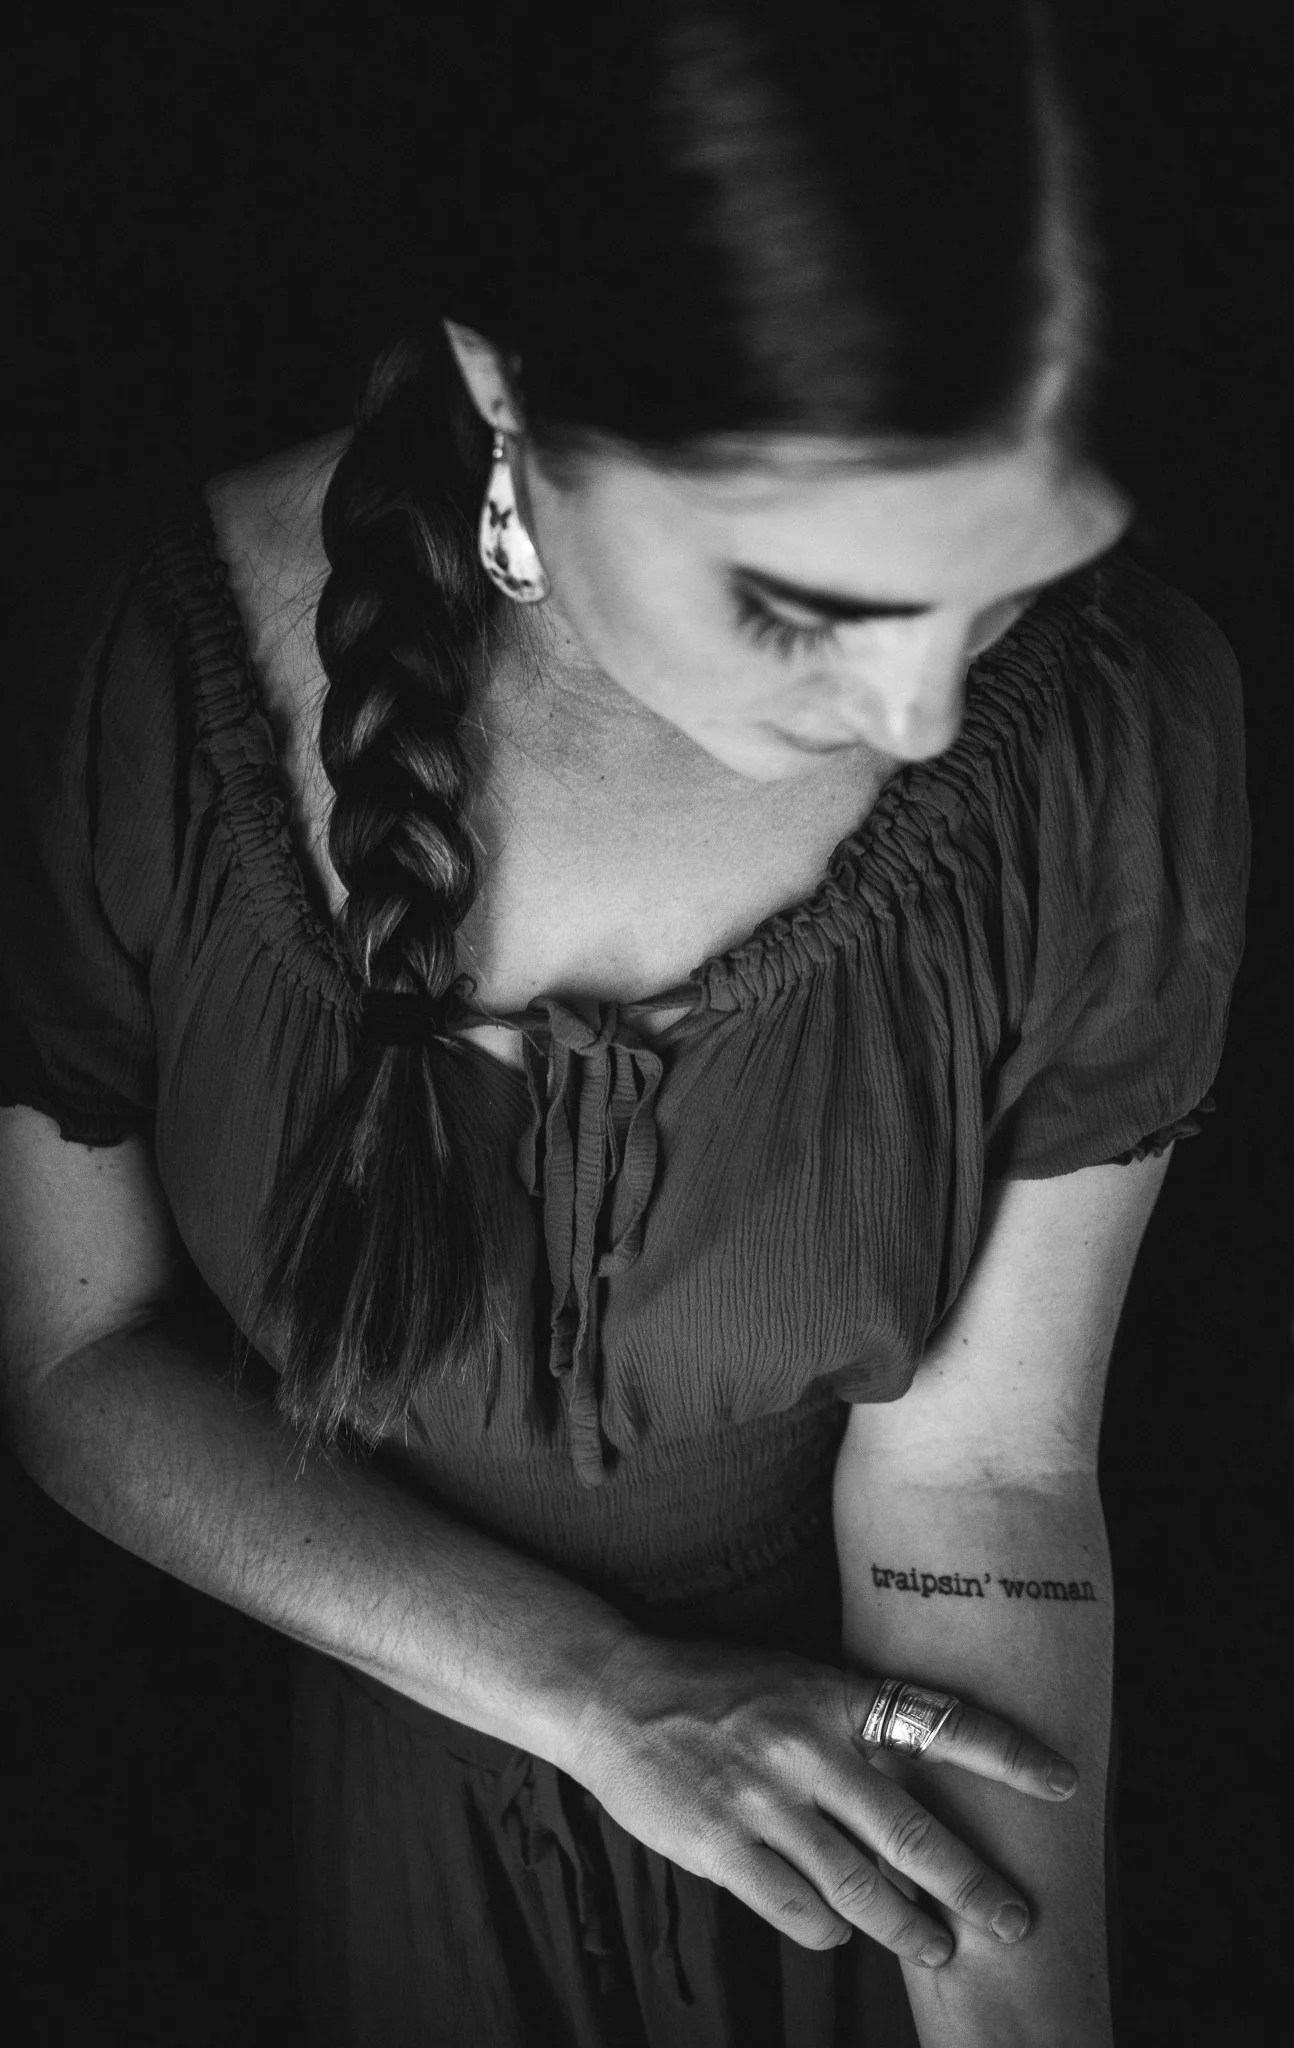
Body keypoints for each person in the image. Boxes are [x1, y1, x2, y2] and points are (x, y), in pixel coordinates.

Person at [0, 3, 1250, 2044]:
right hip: (407, 1776)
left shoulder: (1110, 732)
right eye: (801, 604)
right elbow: (70, 1361)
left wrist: (1023, 2015)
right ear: (511, 388)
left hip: (876, 1814)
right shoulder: (125, 680)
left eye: (1012, 594)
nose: (923, 722)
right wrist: (589, 1693)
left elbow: (983, 1482)